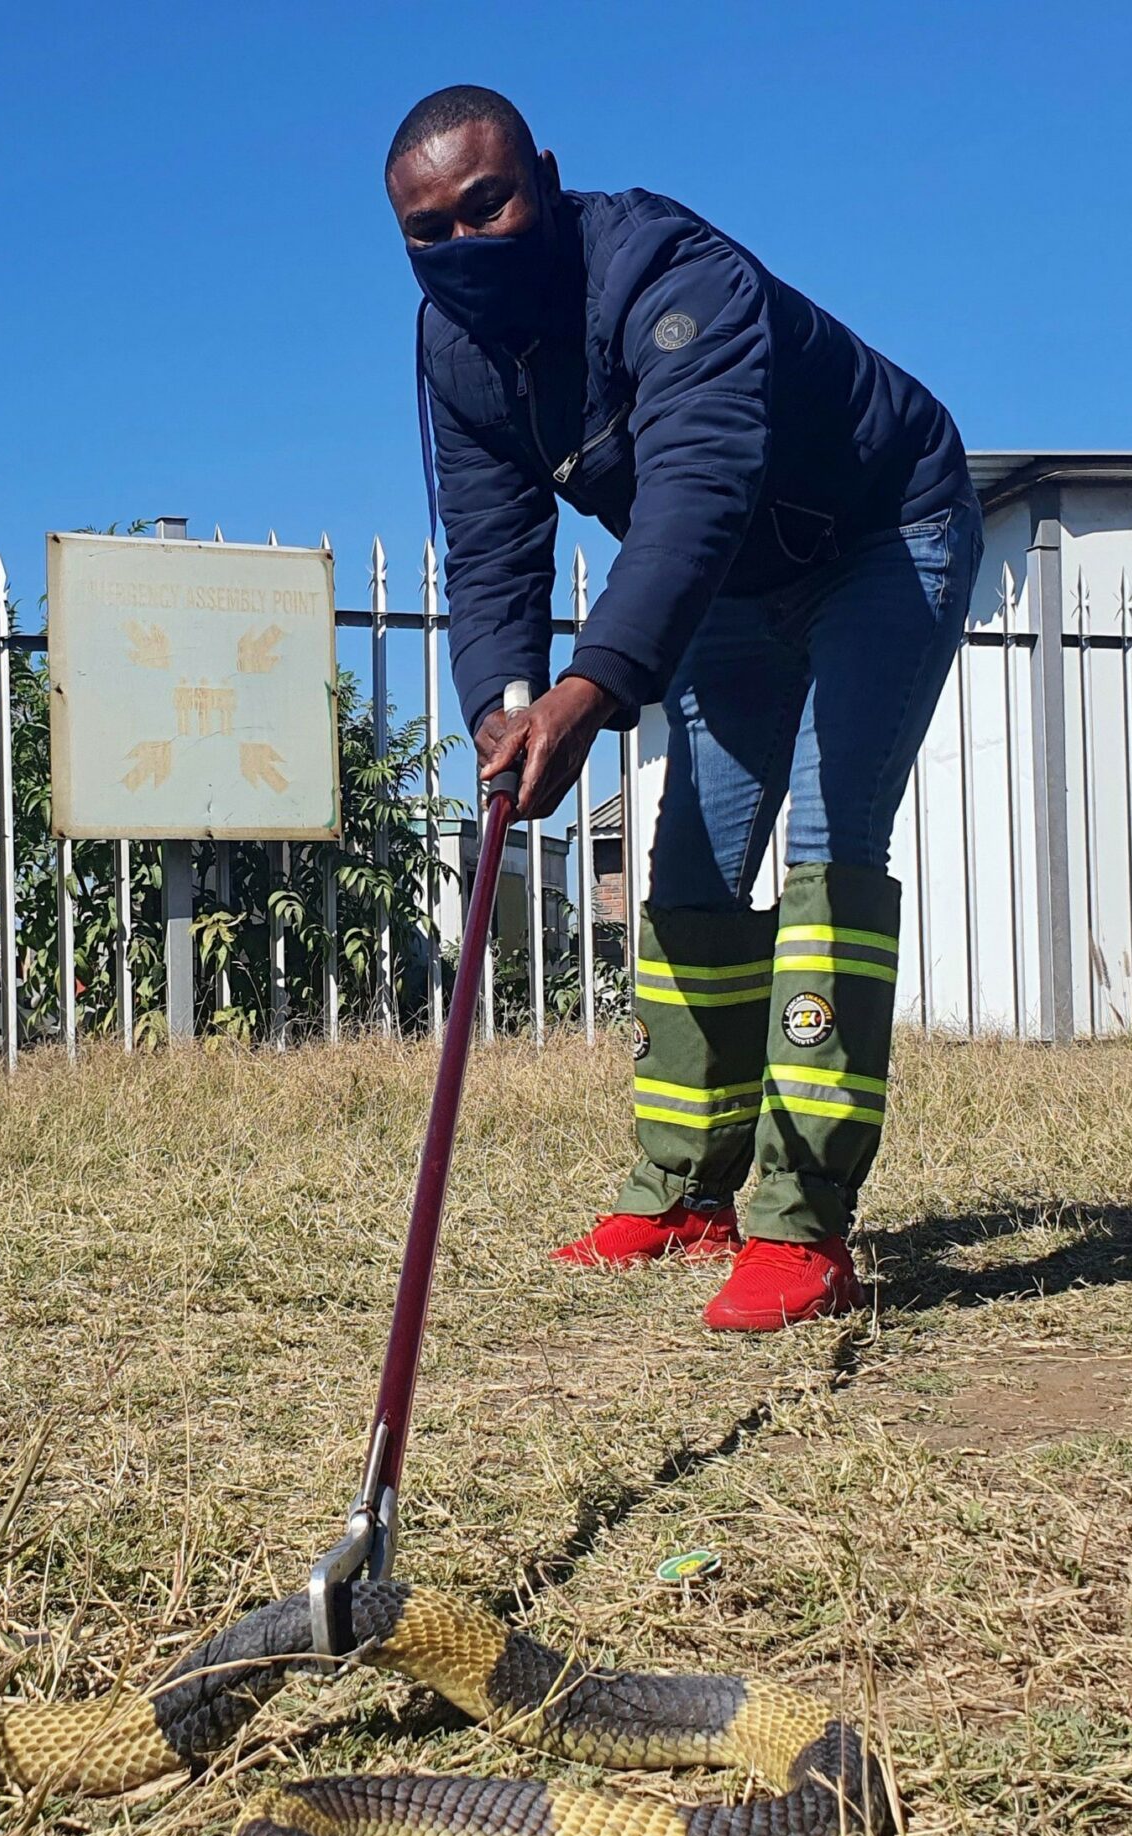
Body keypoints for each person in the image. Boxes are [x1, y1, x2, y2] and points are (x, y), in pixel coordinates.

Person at [387, 85, 982, 1333]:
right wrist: (501, 709)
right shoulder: (454, 354)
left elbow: (696, 490)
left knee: (826, 845)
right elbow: (492, 546)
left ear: (540, 178)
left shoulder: (664, 269)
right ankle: (683, 1189)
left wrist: (591, 689)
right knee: (690, 869)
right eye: (425, 230)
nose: (460, 245)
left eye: (483, 204)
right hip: (733, 587)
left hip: (880, 533)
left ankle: (802, 1225)